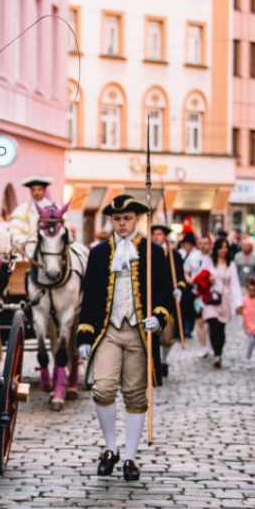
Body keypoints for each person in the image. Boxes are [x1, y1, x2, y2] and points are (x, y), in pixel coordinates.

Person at [76, 195, 173, 482]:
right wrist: (84, 334)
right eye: (117, 219)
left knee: (134, 393)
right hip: (108, 330)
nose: (121, 223)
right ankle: (110, 448)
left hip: (139, 333)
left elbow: (166, 292)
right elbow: (90, 296)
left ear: (137, 219)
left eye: (127, 218)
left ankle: (130, 456)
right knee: (102, 388)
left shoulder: (154, 253)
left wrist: (159, 315)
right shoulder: (98, 253)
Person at [197, 238, 243, 368]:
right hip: (211, 299)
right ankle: (215, 351)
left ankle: (218, 353)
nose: (223, 250)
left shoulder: (231, 265)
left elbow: (235, 284)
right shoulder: (209, 262)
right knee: (213, 325)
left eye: (225, 247)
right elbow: (200, 277)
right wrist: (208, 278)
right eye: (221, 247)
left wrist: (238, 303)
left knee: (220, 329)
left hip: (225, 300)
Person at [151, 225, 185, 378]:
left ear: (165, 236)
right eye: (154, 234)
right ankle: (154, 362)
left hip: (168, 298)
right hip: (151, 296)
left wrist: (179, 288)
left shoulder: (173, 255)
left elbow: (180, 275)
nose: (157, 237)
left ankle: (163, 359)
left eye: (159, 234)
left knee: (167, 334)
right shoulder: (148, 252)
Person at [185, 235, 214, 357]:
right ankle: (203, 346)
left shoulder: (213, 258)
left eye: (205, 243)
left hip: (211, 293)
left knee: (211, 321)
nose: (203, 246)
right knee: (200, 321)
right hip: (197, 293)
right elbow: (186, 271)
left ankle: (211, 344)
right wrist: (190, 281)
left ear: (210, 245)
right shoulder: (193, 256)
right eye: (201, 243)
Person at [7, 177, 58, 245]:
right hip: (28, 246)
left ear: (44, 190)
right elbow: (14, 230)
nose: (36, 192)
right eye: (33, 190)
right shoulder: (22, 209)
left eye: (39, 190)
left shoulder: (54, 208)